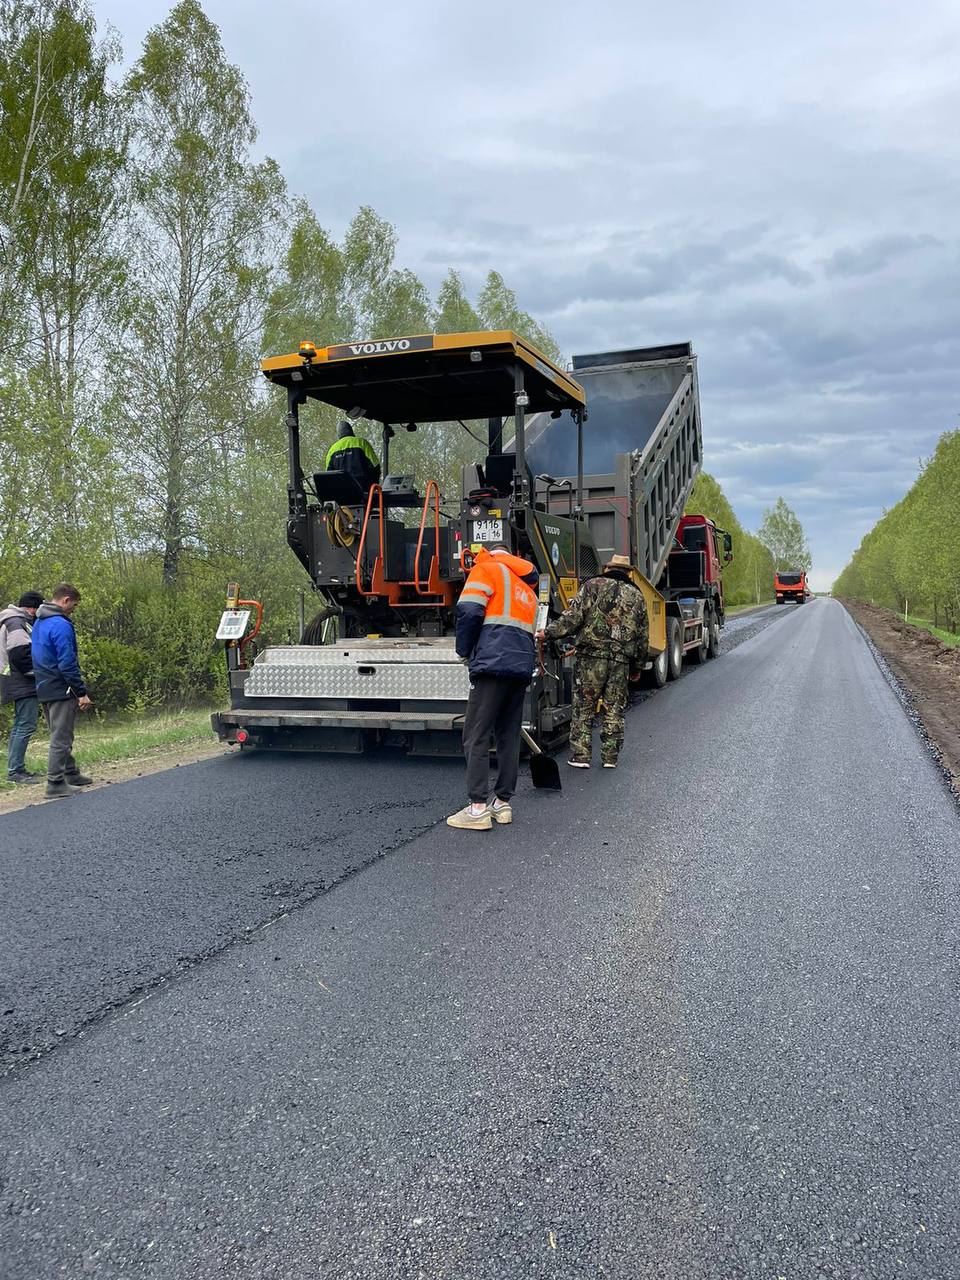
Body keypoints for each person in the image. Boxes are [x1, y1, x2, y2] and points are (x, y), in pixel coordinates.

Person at [447, 543, 538, 830]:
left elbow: (470, 611)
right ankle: (502, 804)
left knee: (476, 734)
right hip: (520, 668)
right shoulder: (526, 588)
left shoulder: (485, 569)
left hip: (491, 665)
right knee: (508, 734)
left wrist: (464, 649)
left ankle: (476, 809)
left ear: (490, 553)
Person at [539, 554, 648, 770]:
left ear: (608, 568)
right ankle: (610, 757)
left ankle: (581, 756)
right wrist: (638, 666)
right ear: (628, 572)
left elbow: (573, 617)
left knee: (584, 706)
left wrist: (548, 633)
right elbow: (643, 636)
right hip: (620, 661)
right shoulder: (637, 595)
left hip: (590, 658)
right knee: (615, 708)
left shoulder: (592, 585)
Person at [31, 583, 93, 799]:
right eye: (74, 606)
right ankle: (55, 782)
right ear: (66, 600)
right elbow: (67, 662)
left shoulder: (39, 621)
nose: (73, 610)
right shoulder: (60, 624)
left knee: (59, 732)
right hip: (60, 686)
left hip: (43, 685)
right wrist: (81, 691)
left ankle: (71, 773)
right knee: (61, 737)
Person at [1, 590, 44, 784]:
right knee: (25, 725)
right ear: (32, 608)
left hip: (14, 679)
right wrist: (37, 673)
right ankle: (16, 771)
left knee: (20, 725)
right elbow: (19, 653)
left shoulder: (11, 620)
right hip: (22, 681)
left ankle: (15, 768)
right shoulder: (17, 622)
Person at [324, 420, 381, 492]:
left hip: (341, 494)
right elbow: (375, 466)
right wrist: (373, 487)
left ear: (338, 434)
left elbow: (328, 476)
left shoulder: (332, 449)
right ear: (351, 430)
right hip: (363, 491)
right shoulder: (361, 443)